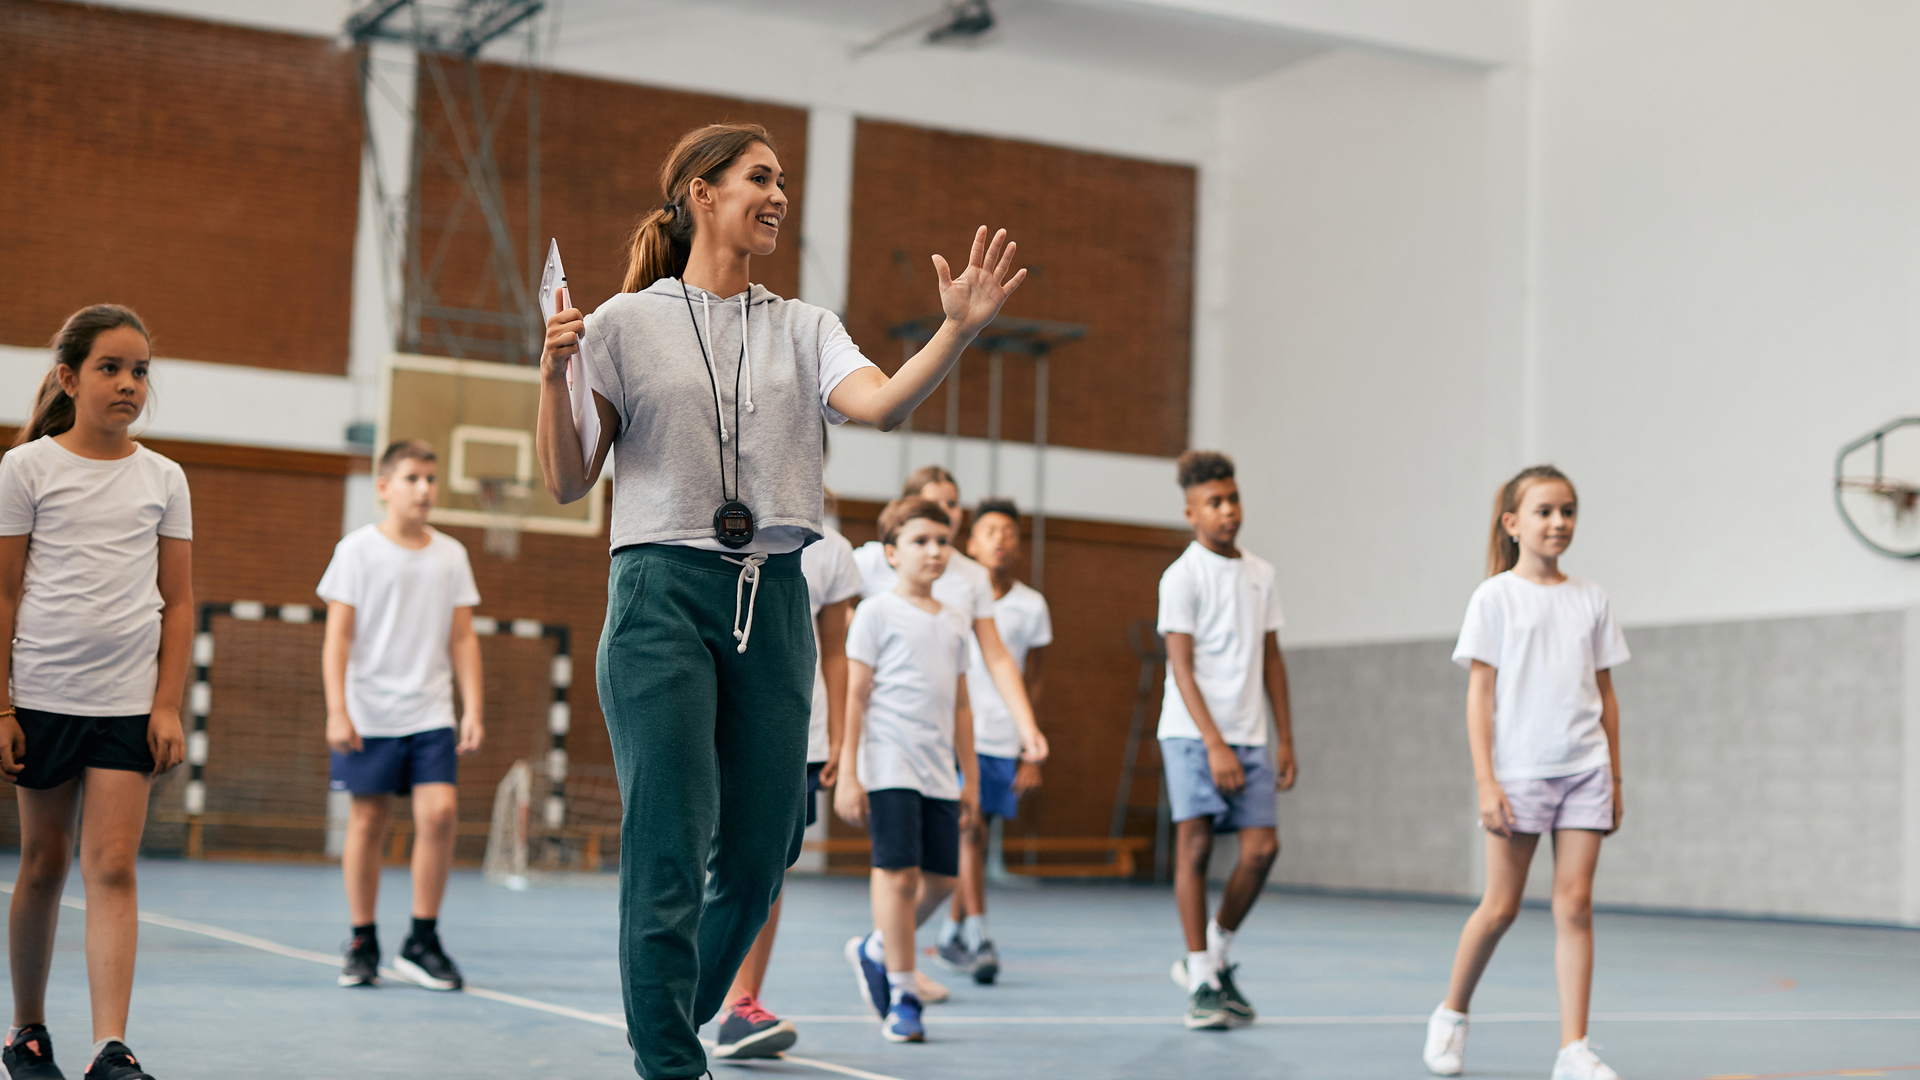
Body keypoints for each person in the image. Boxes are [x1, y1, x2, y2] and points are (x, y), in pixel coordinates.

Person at [531, 120, 1027, 1080]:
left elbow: (881, 403)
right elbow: (563, 478)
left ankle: (668, 1020)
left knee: (763, 851)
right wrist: (554, 375)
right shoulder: (623, 323)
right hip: (660, 594)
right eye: (760, 177)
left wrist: (957, 328)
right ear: (700, 193)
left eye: (784, 180)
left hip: (774, 594)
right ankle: (671, 1061)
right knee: (670, 840)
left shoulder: (805, 325)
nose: (779, 195)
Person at [0, 304, 191, 1080]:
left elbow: (178, 602)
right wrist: (3, 705)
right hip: (42, 696)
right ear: (67, 378)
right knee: (44, 862)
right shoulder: (27, 470)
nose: (128, 383)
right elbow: (4, 595)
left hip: (126, 704)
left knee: (112, 865)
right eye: (110, 368)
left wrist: (167, 703)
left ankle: (111, 1046)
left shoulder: (164, 478)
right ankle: (27, 1031)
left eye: (140, 370)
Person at [1423, 465, 1629, 1080]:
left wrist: (1615, 777)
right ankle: (1452, 1013)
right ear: (1513, 524)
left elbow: (1607, 694)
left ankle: (1573, 1049)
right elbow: (1479, 695)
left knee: (1576, 906)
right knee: (1501, 907)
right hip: (1519, 774)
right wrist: (1487, 780)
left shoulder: (1591, 598)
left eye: (1568, 510)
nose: (1559, 522)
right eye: (1544, 511)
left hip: (1585, 769)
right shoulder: (1495, 597)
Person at [854, 467, 1048, 989]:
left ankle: (884, 949)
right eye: (933, 502)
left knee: (943, 866)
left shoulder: (970, 578)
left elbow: (998, 656)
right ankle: (898, 974)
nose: (949, 512)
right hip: (890, 736)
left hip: (950, 734)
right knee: (899, 867)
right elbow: (844, 643)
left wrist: (1026, 726)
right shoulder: (874, 561)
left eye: (954, 504)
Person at [319, 439, 484, 992]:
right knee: (368, 822)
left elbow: (462, 637)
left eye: (431, 479)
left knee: (438, 815)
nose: (424, 489)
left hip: (430, 709)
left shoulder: (450, 555)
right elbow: (337, 637)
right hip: (368, 713)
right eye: (412, 478)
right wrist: (338, 710)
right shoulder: (356, 550)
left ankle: (422, 939)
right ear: (384, 487)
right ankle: (363, 940)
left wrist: (472, 707)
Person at [711, 486, 862, 1060]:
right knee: (706, 857)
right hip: (721, 718)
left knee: (765, 868)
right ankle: (681, 991)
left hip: (798, 730)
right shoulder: (717, 528)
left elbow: (838, 653)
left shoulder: (833, 550)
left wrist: (841, 737)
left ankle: (741, 1005)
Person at [1157, 450, 1296, 1032]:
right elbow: (1181, 669)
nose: (1228, 510)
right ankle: (1202, 979)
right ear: (1192, 512)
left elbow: (1271, 659)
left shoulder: (1260, 574)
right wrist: (1213, 743)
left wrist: (1284, 737)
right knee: (1194, 850)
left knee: (1262, 850)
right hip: (1192, 735)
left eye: (1233, 498)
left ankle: (1213, 952)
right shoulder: (1181, 576)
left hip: (1250, 736)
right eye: (1214, 502)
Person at [834, 497, 979, 1044]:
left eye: (943, 542)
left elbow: (963, 704)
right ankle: (903, 993)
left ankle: (876, 946)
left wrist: (972, 778)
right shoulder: (875, 612)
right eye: (921, 541)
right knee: (898, 875)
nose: (935, 551)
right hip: (890, 763)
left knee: (942, 879)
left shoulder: (957, 620)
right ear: (891, 553)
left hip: (940, 770)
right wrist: (850, 773)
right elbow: (855, 698)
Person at [933, 498, 1049, 984]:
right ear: (972, 541)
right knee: (969, 829)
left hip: (1005, 738)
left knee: (976, 839)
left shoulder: (1032, 605)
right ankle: (978, 932)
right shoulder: (950, 591)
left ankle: (949, 931)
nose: (1001, 539)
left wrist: (1029, 747)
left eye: (1010, 532)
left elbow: (1034, 680)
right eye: (991, 530)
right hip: (961, 734)